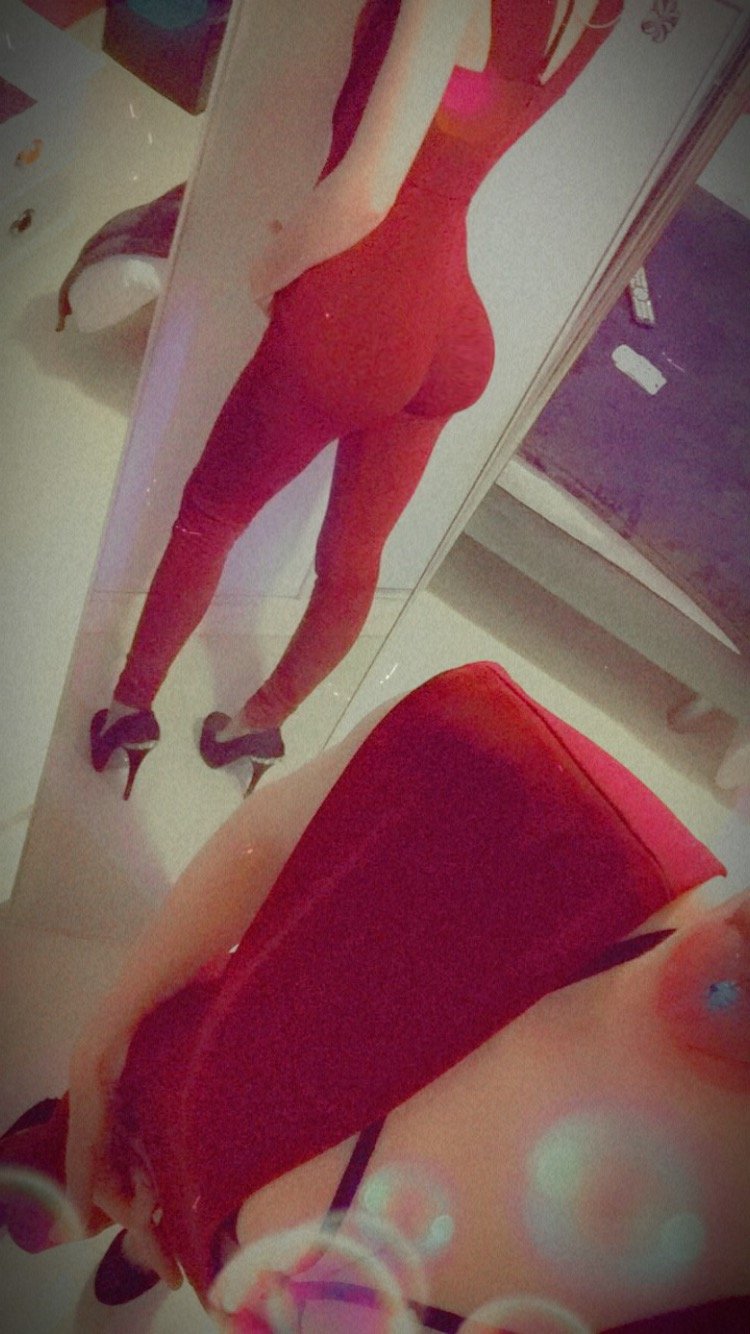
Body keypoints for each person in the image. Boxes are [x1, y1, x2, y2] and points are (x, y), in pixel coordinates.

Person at [5, 662, 748, 1330]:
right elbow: (268, 840)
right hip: (165, 1086)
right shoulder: (519, 777)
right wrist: (100, 1047)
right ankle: (140, 1232)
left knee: (163, 1230)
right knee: (66, 1191)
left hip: (207, 1236)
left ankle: (156, 1246)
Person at [89, 0, 624, 799]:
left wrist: (269, 272)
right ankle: (259, 725)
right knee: (354, 559)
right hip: (450, 325)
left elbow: (365, 194)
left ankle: (130, 710)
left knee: (211, 514)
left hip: (360, 306)